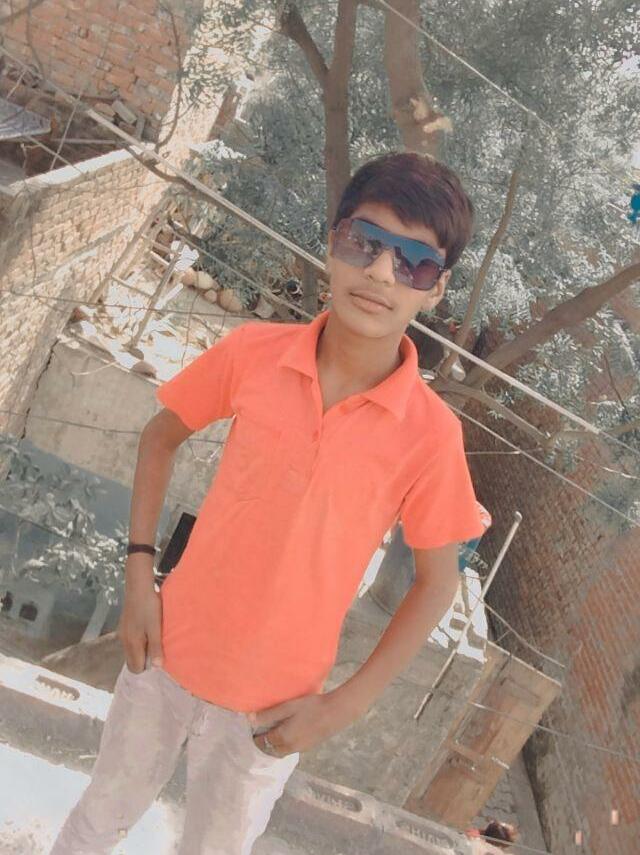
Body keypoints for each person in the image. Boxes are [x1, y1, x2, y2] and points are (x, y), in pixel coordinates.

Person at [51, 152, 485, 854]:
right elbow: (160, 437)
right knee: (96, 821)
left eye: (414, 262)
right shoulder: (255, 352)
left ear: (436, 289)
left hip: (271, 710)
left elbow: (437, 583)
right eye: (365, 242)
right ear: (333, 243)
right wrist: (138, 579)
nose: (381, 273)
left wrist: (343, 705)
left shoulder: (431, 435)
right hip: (165, 653)